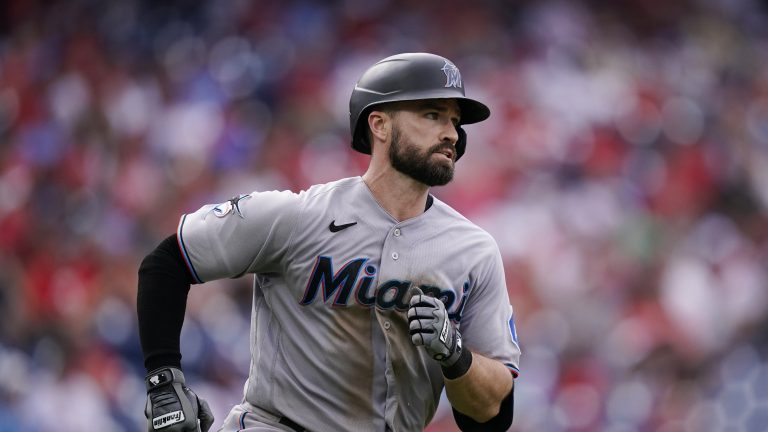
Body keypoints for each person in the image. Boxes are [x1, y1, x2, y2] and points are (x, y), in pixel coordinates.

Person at [138, 52, 521, 432]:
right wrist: (164, 380)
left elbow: (492, 416)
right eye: (432, 114)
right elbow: (168, 262)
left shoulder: (475, 251)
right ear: (380, 124)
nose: (451, 133)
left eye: (455, 121)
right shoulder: (299, 216)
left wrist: (456, 356)